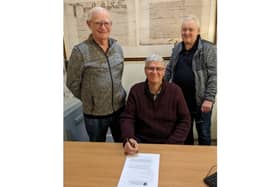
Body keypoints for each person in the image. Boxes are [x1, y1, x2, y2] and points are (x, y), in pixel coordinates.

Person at [66, 7, 126, 142]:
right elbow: (72, 82)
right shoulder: (80, 51)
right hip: (94, 115)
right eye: (98, 23)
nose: (103, 27)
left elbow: (119, 74)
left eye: (106, 23)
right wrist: (90, 98)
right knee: (97, 149)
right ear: (89, 24)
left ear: (111, 25)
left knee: (122, 146)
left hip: (119, 109)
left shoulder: (117, 48)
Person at [121, 54, 191, 155]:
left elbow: (185, 120)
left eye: (158, 68)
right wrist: (129, 139)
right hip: (141, 144)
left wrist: (171, 144)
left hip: (169, 144)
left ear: (164, 71)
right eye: (151, 68)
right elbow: (128, 118)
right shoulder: (136, 90)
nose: (154, 72)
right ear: (145, 70)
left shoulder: (175, 91)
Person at [165, 15, 217, 145]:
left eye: (190, 29)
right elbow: (169, 70)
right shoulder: (177, 48)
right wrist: (163, 90)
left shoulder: (208, 49)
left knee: (204, 135)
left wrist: (209, 99)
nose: (186, 33)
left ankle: (205, 164)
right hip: (181, 103)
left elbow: (214, 75)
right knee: (184, 136)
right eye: (184, 29)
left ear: (198, 31)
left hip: (201, 103)